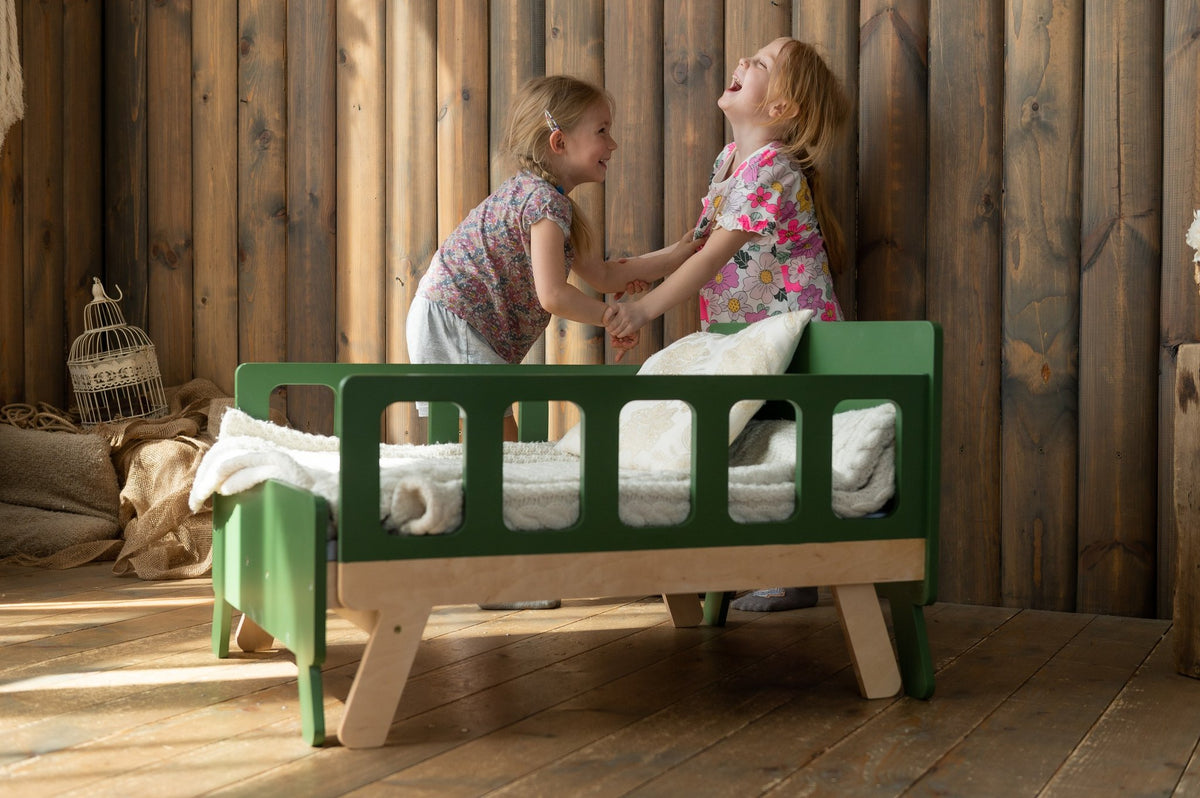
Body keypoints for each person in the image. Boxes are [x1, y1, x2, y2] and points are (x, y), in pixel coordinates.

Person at [407, 74, 696, 610]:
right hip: (455, 315)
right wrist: (615, 319)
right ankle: (499, 578)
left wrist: (679, 255)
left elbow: (605, 273)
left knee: (490, 442)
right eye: (603, 131)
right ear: (559, 143)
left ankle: (484, 563)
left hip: (450, 315)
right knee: (501, 443)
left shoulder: (553, 203)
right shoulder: (544, 204)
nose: (613, 144)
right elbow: (555, 296)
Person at [606, 37, 851, 612]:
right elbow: (695, 246)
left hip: (793, 337)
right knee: (739, 448)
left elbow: (714, 258)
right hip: (746, 340)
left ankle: (796, 578)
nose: (742, 62)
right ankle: (729, 566)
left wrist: (644, 309)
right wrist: (630, 271)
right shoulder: (728, 163)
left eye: (759, 64)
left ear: (781, 109)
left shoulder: (776, 168)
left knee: (782, 452)